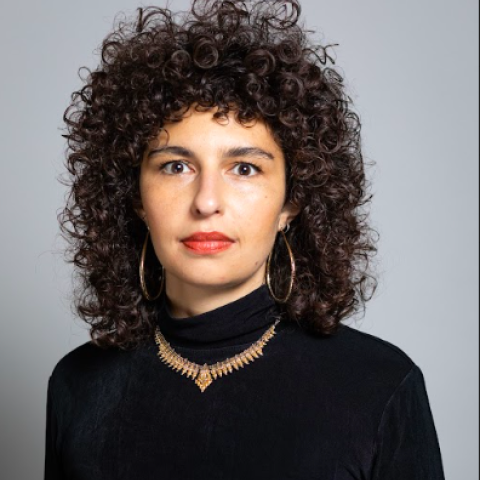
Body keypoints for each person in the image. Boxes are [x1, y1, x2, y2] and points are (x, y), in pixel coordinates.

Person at [45, 1, 446, 478]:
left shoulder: (380, 385)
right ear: (135, 197)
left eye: (244, 168)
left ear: (290, 203)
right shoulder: (78, 385)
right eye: (176, 166)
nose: (207, 201)